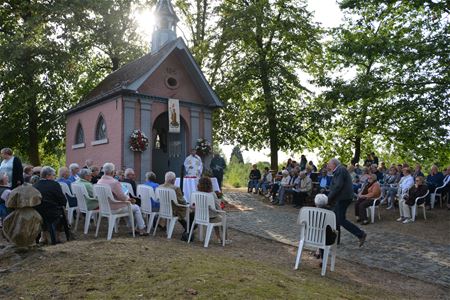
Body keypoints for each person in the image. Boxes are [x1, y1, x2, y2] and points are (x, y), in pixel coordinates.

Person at [97, 163, 147, 236]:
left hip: (104, 207)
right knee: (135, 207)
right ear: (112, 172)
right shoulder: (114, 182)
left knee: (128, 206)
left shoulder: (99, 181)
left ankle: (132, 228)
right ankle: (142, 229)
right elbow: (122, 197)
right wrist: (129, 199)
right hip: (115, 208)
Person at [327, 158, 367, 247]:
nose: (328, 166)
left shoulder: (340, 170)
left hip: (343, 198)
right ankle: (335, 240)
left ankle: (360, 234)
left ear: (334, 164)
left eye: (329, 164)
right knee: (336, 219)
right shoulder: (339, 170)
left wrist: (328, 199)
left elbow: (337, 186)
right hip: (342, 198)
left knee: (340, 219)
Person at [33, 166, 69, 244]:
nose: (55, 177)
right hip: (52, 212)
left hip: (37, 212)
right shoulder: (55, 184)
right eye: (54, 175)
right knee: (62, 212)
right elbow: (62, 200)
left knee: (44, 214)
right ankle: (57, 236)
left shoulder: (35, 185)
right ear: (48, 176)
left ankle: (43, 236)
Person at [160, 171, 194, 239]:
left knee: (185, 209)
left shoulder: (160, 187)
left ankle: (187, 227)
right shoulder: (176, 188)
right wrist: (188, 204)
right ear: (173, 180)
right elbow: (182, 202)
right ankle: (189, 229)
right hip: (175, 210)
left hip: (164, 210)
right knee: (192, 212)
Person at [197, 177, 230, 244]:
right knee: (222, 218)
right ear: (210, 185)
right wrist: (222, 212)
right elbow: (218, 208)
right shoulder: (212, 194)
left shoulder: (197, 193)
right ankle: (225, 239)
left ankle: (218, 238)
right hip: (210, 217)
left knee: (217, 217)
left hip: (199, 217)